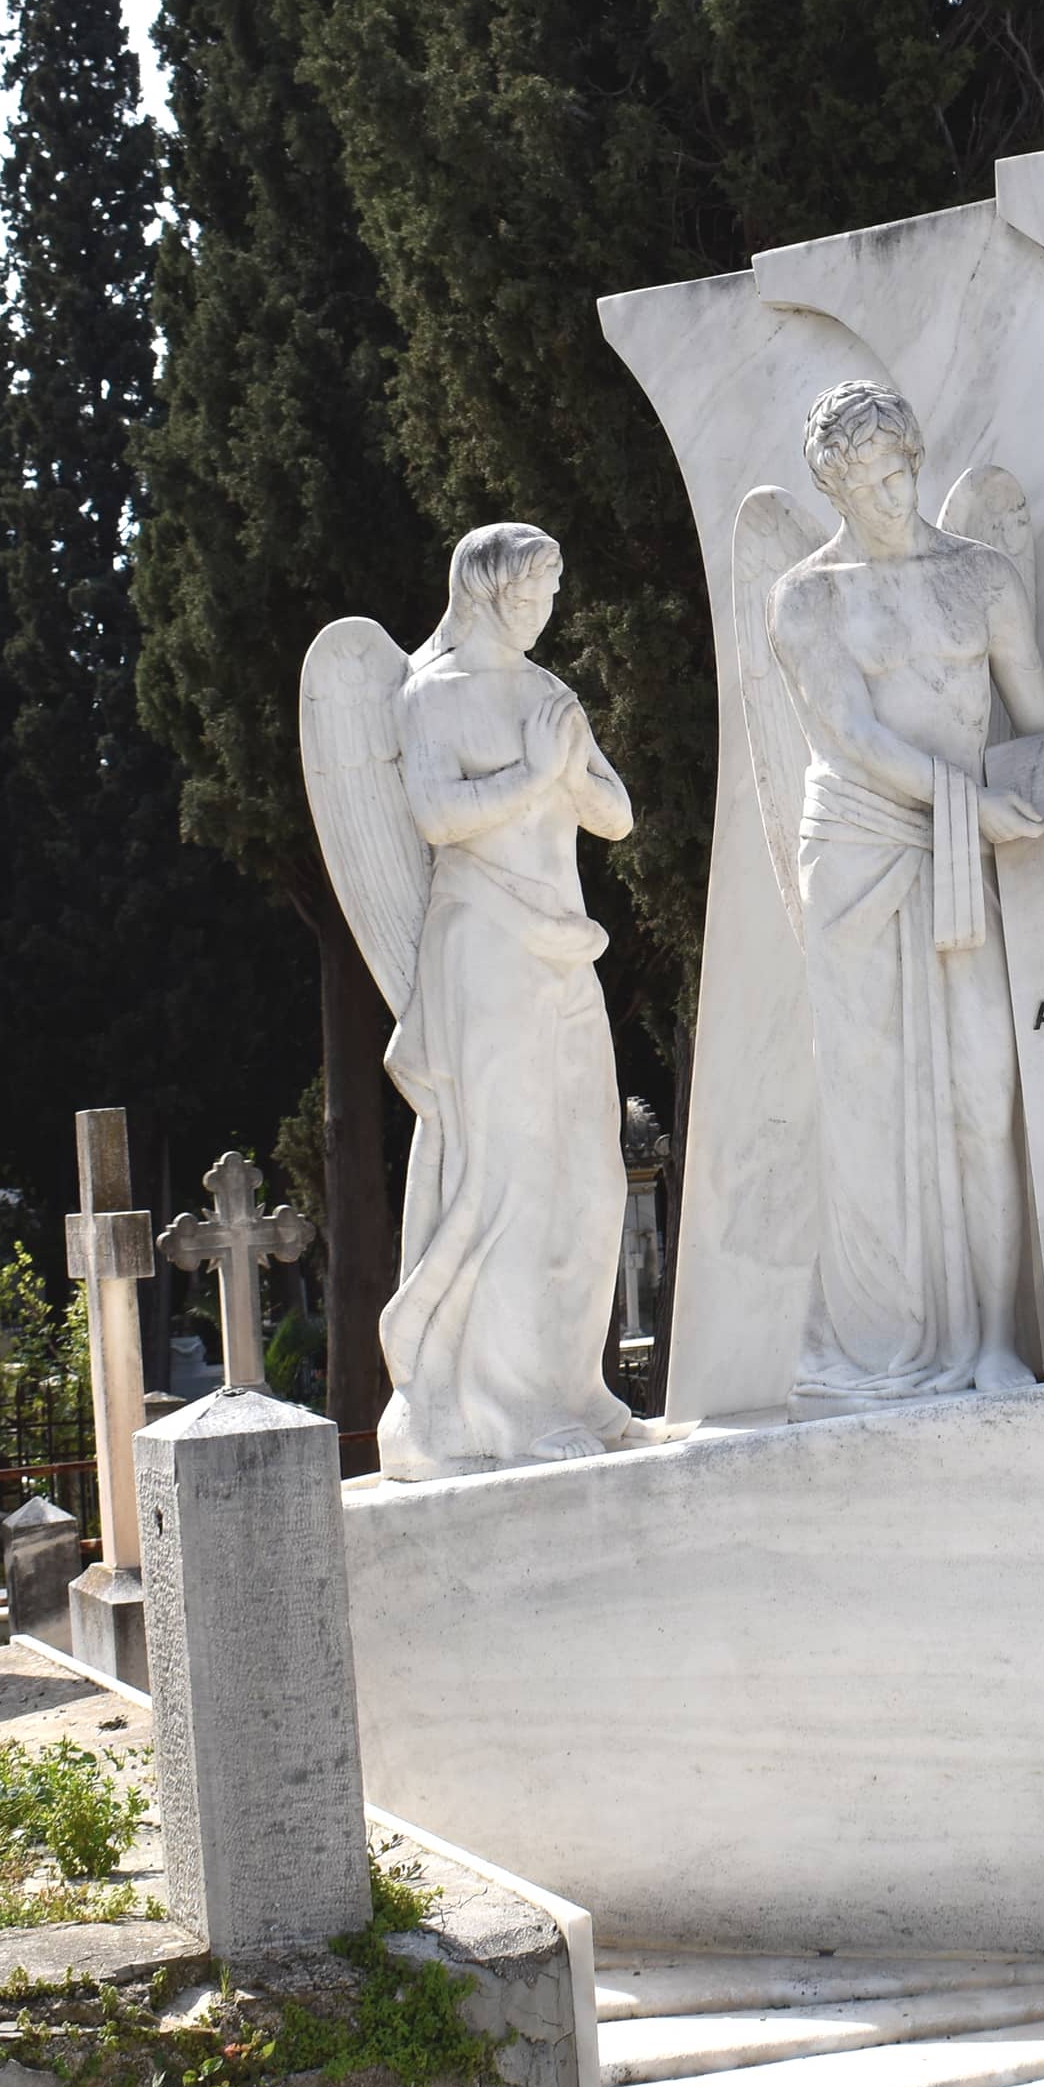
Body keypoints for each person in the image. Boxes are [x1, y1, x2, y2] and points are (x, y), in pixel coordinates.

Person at [764, 380, 1044, 1410]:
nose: (894, 493)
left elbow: (1039, 724)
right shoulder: (808, 595)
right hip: (859, 854)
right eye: (870, 478)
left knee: (987, 1096)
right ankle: (885, 1339)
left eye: (904, 470)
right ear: (834, 483)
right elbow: (848, 736)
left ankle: (991, 1338)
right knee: (871, 1114)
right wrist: (968, 805)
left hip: (964, 848)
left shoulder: (980, 578)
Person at [376, 523, 648, 1467]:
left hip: (560, 946)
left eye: (552, 593)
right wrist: (537, 774)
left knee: (590, 1172)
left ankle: (575, 1386)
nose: (545, 612)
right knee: (510, 1175)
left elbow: (614, 816)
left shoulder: (547, 693)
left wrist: (567, 767)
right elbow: (437, 816)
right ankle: (503, 1408)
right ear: (488, 595)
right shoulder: (431, 694)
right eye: (532, 594)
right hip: (484, 944)